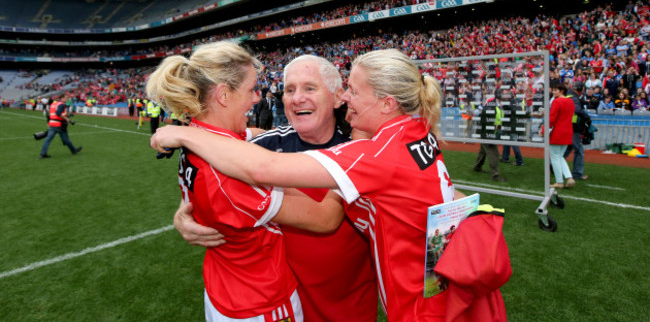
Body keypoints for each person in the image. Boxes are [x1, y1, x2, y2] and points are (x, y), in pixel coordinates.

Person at [152, 49, 471, 321]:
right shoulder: (263, 143)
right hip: (291, 301)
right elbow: (219, 169)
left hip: (358, 308)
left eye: (310, 88)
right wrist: (189, 214)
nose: (295, 97)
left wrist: (186, 132)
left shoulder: (368, 147)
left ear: (336, 98)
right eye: (289, 89)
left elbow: (263, 171)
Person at [147, 41, 353, 322]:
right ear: (223, 95)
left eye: (309, 88)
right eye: (251, 89)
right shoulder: (235, 170)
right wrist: (353, 163)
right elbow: (325, 218)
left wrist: (184, 135)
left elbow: (244, 141)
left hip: (228, 292)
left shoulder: (209, 140)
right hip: (261, 302)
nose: (258, 98)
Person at [473, 90, 507, 182]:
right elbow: (485, 119)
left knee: (483, 151)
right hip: (488, 132)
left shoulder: (498, 105)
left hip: (489, 131)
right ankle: (495, 175)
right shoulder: (492, 105)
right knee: (493, 152)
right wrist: (492, 128)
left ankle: (477, 166)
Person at [548, 83, 575, 189]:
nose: (553, 92)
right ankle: (569, 177)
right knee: (560, 156)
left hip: (557, 132)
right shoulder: (570, 101)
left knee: (555, 157)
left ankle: (559, 181)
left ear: (561, 91)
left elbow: (552, 118)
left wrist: (544, 129)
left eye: (555, 90)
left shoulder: (557, 101)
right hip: (568, 131)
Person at [563, 81, 590, 181]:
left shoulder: (567, 95)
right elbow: (576, 110)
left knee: (568, 148)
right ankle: (577, 173)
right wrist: (586, 116)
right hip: (573, 127)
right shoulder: (574, 98)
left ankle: (553, 165)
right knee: (579, 150)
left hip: (566, 125)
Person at [39, 94, 82, 158]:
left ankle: (43, 153)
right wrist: (67, 119)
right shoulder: (61, 105)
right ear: (62, 98)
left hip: (52, 123)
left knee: (48, 139)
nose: (67, 99)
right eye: (66, 98)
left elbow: (51, 114)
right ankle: (73, 150)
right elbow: (58, 113)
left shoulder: (53, 104)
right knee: (66, 139)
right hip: (59, 124)